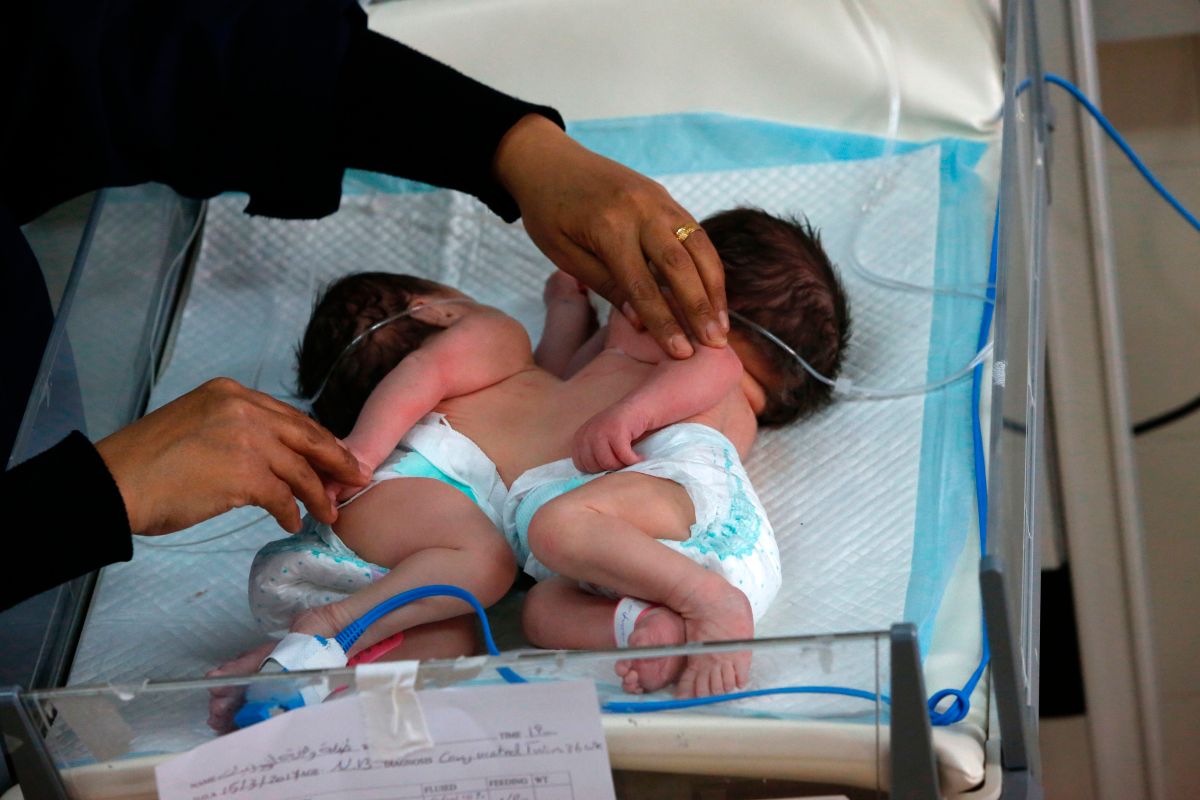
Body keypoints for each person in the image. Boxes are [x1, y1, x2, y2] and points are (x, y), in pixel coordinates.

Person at [0, 0, 730, 612]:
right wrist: (90, 502)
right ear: (438, 310)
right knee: (536, 563)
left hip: (485, 511)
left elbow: (158, 51)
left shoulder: (495, 377)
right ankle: (690, 603)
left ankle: (339, 637)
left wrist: (506, 146)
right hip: (534, 506)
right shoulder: (483, 338)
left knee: (492, 584)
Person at [217, 208, 848, 718]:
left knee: (544, 545)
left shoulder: (690, 356)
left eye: (651, 288)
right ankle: (306, 667)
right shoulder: (524, 355)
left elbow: (705, 367)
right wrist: (570, 319)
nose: (628, 308)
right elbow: (553, 388)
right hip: (621, 536)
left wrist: (628, 409)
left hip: (645, 518)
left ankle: (703, 603)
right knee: (534, 613)